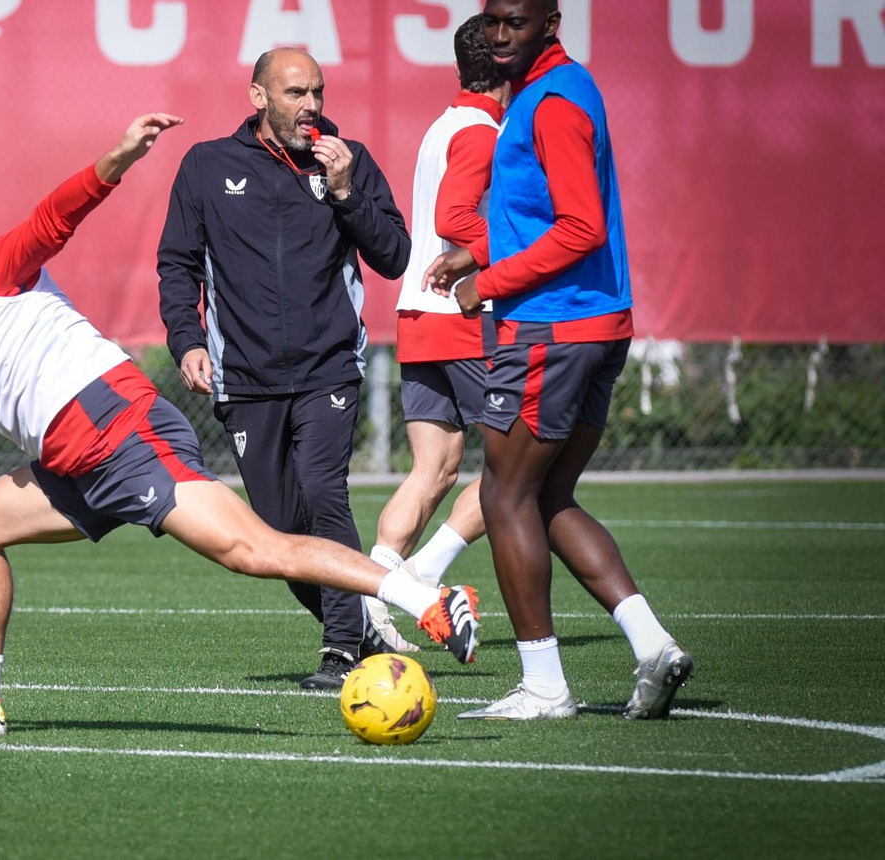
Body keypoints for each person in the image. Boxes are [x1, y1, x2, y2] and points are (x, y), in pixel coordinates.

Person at [0, 114, 481, 737]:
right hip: (74, 466)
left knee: (257, 551)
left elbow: (53, 217)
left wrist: (119, 158)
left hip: (125, 432)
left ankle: (425, 601)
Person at [425, 0, 692, 720]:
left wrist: (491, 281)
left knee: (502, 496)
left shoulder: (550, 102)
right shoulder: (557, 90)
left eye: (515, 20)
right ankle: (653, 645)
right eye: (490, 21)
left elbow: (580, 226)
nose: (499, 33)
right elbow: (543, 217)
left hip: (550, 331)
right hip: (588, 326)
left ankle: (544, 686)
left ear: (551, 22)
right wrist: (476, 252)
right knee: (546, 499)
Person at [155, 48, 417, 687]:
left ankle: (339, 649)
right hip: (244, 378)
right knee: (276, 530)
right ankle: (359, 629)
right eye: (297, 93)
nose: (312, 107)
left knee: (326, 493)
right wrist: (187, 340)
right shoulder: (207, 166)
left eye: (319, 93)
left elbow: (394, 256)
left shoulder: (345, 162)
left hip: (329, 368)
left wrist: (348, 192)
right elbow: (177, 264)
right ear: (258, 97)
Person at [368, 16, 508, 618]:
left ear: (459, 68)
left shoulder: (444, 124)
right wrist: (512, 250)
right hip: (462, 315)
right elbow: (456, 220)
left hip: (418, 314)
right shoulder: (480, 131)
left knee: (435, 470)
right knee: (516, 467)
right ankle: (425, 575)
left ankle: (369, 603)